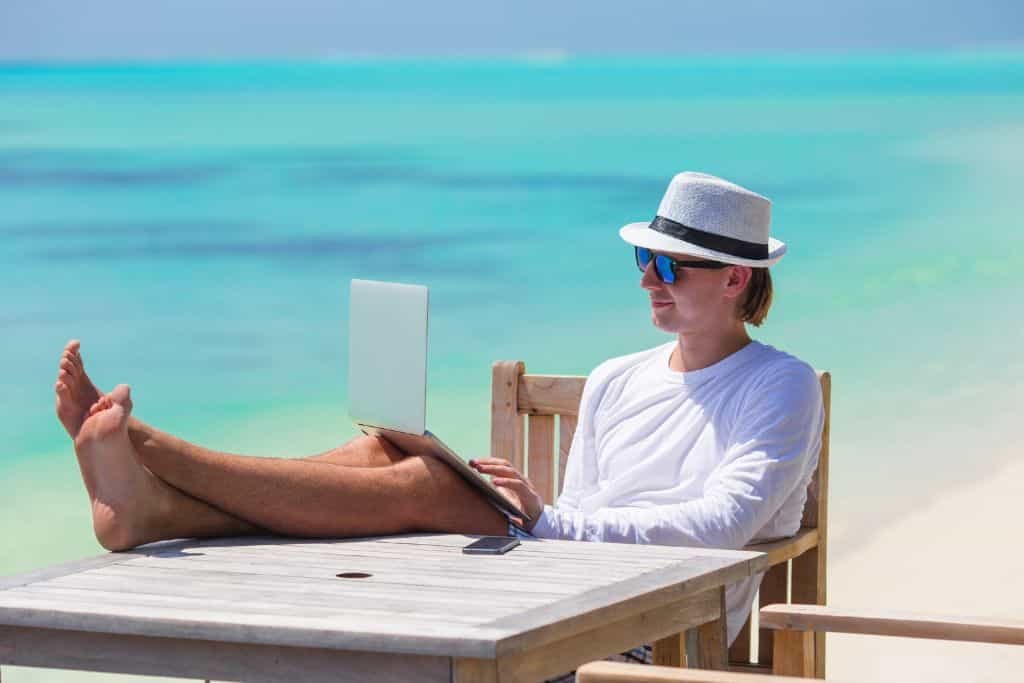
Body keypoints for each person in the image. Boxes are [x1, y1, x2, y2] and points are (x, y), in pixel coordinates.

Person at [54, 171, 823, 654]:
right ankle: (151, 507)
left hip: (654, 628)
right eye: (641, 262)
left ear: (733, 280)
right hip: (569, 585)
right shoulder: (617, 377)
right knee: (380, 455)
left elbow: (722, 523)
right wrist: (545, 518)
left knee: (422, 482)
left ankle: (155, 455)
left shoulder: (779, 385)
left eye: (668, 266)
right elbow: (586, 505)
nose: (649, 281)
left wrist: (552, 522)